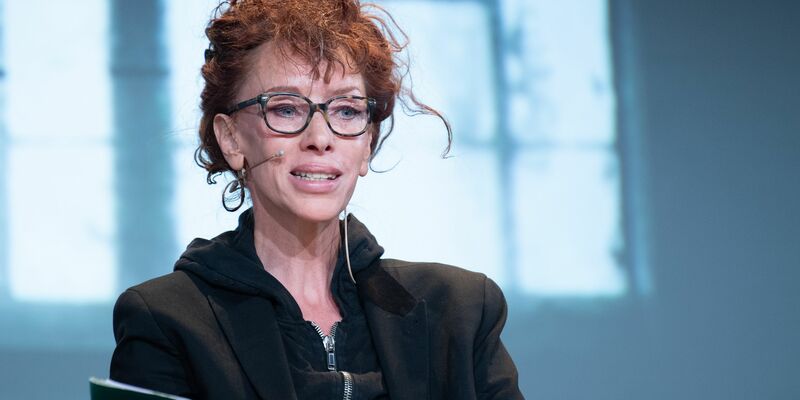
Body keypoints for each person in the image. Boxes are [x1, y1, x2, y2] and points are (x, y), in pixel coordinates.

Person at [109, 0, 523, 399]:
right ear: (232, 139)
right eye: (286, 109)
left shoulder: (462, 313)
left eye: (346, 110)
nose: (321, 139)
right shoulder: (167, 322)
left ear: (367, 144)